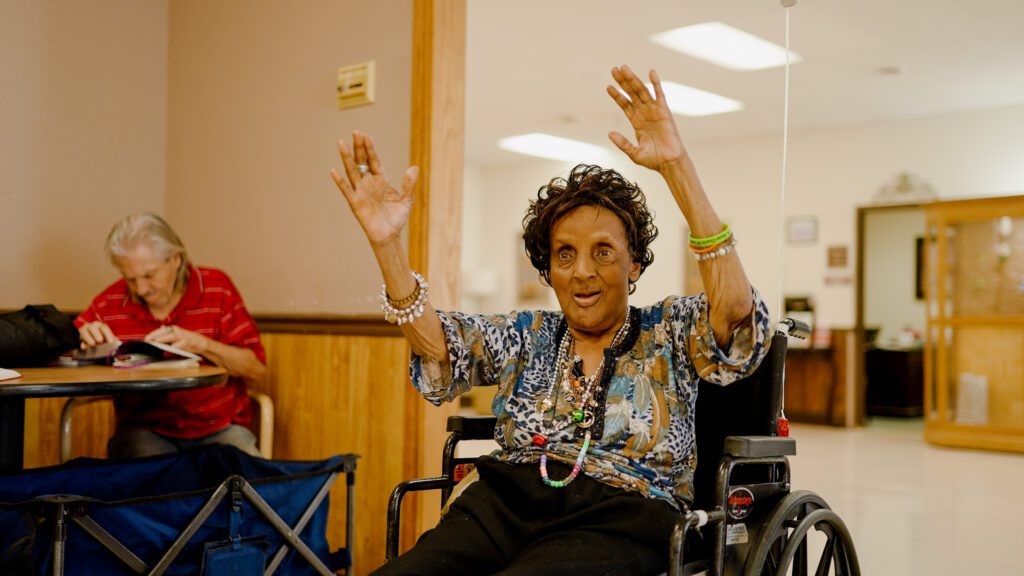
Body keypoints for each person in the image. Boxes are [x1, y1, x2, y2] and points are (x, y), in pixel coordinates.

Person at [331, 65, 770, 575]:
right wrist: (388, 246)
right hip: (505, 503)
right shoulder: (528, 335)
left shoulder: (669, 329)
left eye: (603, 251)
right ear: (549, 270)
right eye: (565, 254)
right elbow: (439, 346)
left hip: (624, 514)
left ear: (634, 264)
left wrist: (677, 168)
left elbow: (734, 314)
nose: (582, 271)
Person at [75, 212, 267, 459]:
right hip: (145, 430)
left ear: (175, 259)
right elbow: (62, 349)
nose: (140, 289)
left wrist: (203, 344)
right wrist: (81, 338)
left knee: (248, 472)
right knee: (143, 465)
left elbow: (257, 369)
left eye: (149, 275)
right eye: (130, 279)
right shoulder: (110, 302)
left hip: (219, 427)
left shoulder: (217, 289)